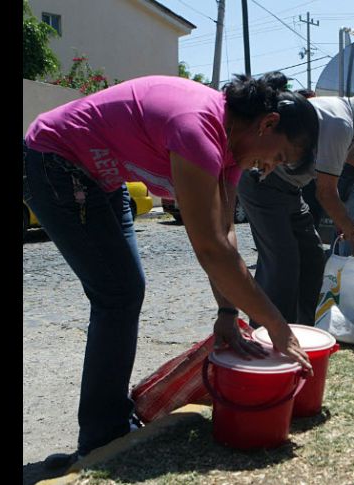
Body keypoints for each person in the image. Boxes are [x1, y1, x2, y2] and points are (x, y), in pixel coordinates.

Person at [23, 72, 318, 464]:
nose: (268, 167)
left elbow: (225, 235)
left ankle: (108, 423)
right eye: (278, 156)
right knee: (119, 293)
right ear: (268, 124)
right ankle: (102, 436)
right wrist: (276, 325)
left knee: (125, 291)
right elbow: (209, 248)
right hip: (54, 160)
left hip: (101, 179)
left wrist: (228, 314)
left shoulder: (231, 148)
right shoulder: (197, 127)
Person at [237, 84, 354, 327]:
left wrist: (349, 226)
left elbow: (335, 159)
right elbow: (325, 193)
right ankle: (269, 336)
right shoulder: (342, 123)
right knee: (283, 262)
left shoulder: (348, 123)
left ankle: (307, 328)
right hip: (264, 181)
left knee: (313, 258)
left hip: (291, 189)